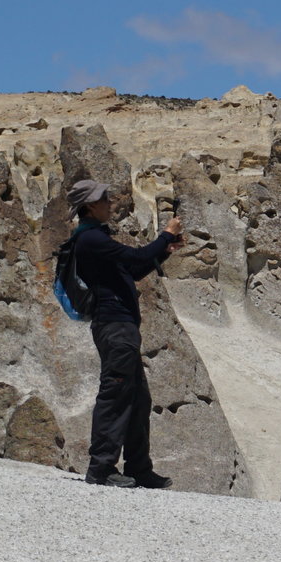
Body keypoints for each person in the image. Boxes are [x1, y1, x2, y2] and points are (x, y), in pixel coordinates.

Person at [67, 179, 183, 489]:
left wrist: (165, 250)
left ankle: (139, 468)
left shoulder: (97, 239)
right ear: (90, 206)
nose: (110, 203)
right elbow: (136, 259)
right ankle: (101, 468)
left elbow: (132, 271)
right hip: (114, 327)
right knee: (115, 394)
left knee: (138, 398)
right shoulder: (90, 239)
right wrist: (165, 235)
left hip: (122, 329)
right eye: (104, 199)